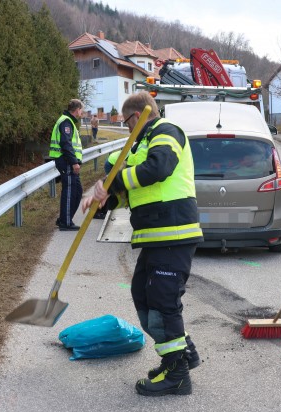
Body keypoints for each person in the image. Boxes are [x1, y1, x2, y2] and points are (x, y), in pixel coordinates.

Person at [81, 91, 203, 396]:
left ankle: (177, 374)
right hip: (155, 237)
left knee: (162, 302)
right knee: (144, 296)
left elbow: (158, 168)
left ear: (136, 117)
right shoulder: (139, 146)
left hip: (174, 231)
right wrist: (104, 200)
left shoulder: (165, 132)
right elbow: (129, 191)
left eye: (125, 122)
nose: (126, 126)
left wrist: (114, 181)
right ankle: (181, 354)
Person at [50, 99, 84, 231]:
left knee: (77, 191)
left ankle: (64, 218)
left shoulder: (68, 122)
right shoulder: (66, 122)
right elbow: (66, 144)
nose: (82, 113)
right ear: (77, 110)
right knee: (70, 191)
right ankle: (65, 222)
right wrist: (74, 162)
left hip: (68, 161)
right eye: (81, 110)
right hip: (66, 161)